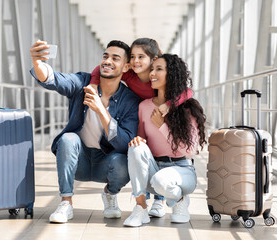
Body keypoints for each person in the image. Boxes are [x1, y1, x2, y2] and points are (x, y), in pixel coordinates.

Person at [29, 39, 140, 223]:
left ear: (126, 67)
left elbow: (123, 143)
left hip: (107, 162)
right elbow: (55, 80)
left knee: (123, 160)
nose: (107, 61)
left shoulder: (130, 100)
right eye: (105, 56)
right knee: (67, 139)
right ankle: (66, 202)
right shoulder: (83, 83)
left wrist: (101, 110)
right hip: (79, 160)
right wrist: (37, 63)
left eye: (115, 58)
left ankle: (110, 195)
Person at [91, 38, 193, 218]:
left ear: (154, 59)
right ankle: (142, 204)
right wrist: (93, 83)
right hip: (140, 111)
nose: (135, 61)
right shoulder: (130, 74)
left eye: (141, 57)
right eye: (132, 57)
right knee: (140, 149)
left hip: (160, 110)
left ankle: (161, 200)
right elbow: (101, 69)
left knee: (162, 147)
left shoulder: (157, 79)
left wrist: (169, 104)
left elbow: (187, 92)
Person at [123, 54, 207, 227]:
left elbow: (190, 150)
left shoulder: (188, 107)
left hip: (182, 170)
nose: (152, 73)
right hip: (154, 169)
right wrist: (137, 141)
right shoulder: (144, 106)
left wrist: (162, 126)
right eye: (152, 69)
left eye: (159, 69)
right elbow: (142, 140)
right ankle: (140, 208)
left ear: (172, 74)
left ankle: (181, 199)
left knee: (162, 180)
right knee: (136, 147)